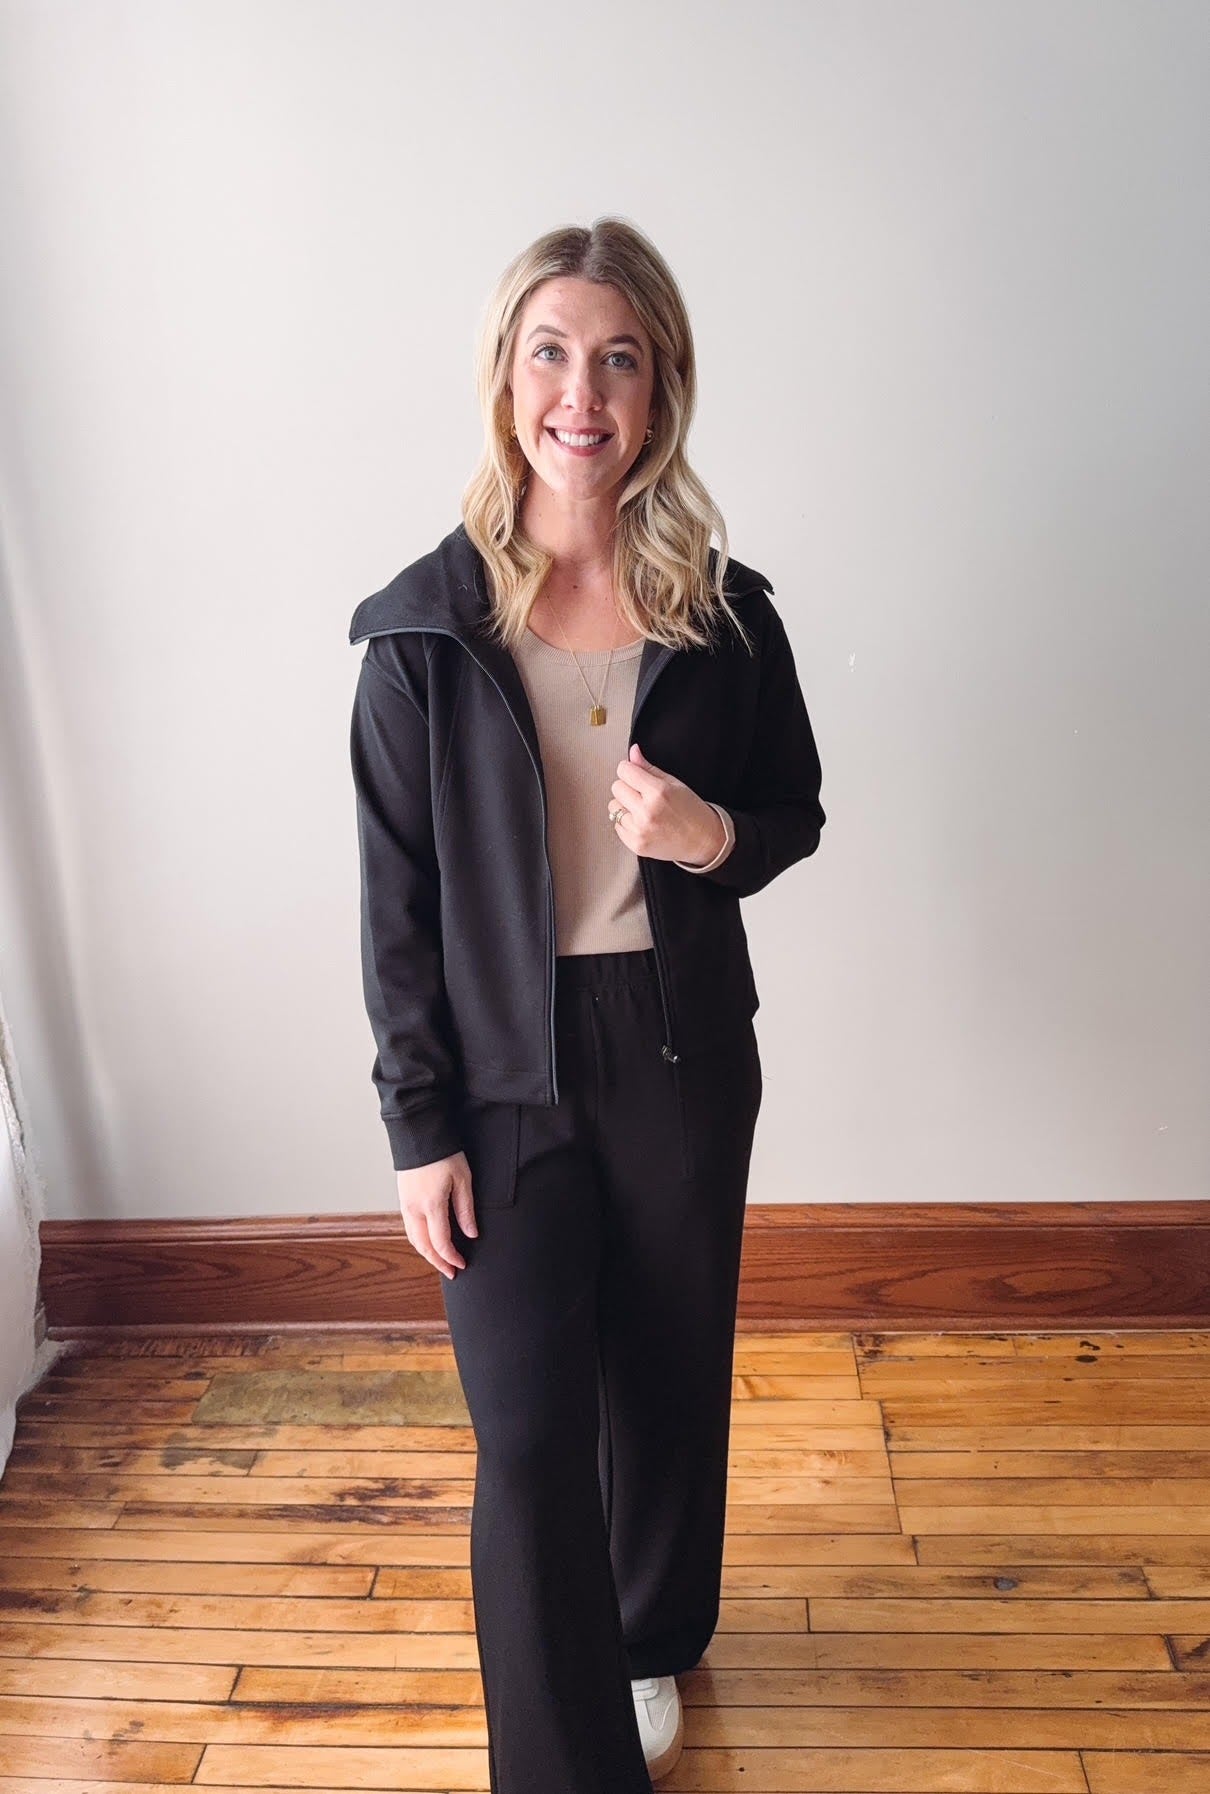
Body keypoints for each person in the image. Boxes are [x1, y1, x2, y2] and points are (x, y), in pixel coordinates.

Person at [348, 216, 825, 1794]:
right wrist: (421, 1123)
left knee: (666, 1377)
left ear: (658, 389)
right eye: (550, 350)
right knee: (532, 1430)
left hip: (680, 1053)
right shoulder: (422, 632)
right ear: (504, 380)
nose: (582, 389)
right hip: (499, 1071)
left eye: (619, 356)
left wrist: (712, 839)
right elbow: (396, 910)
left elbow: (791, 810)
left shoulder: (726, 608)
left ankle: (644, 1636)